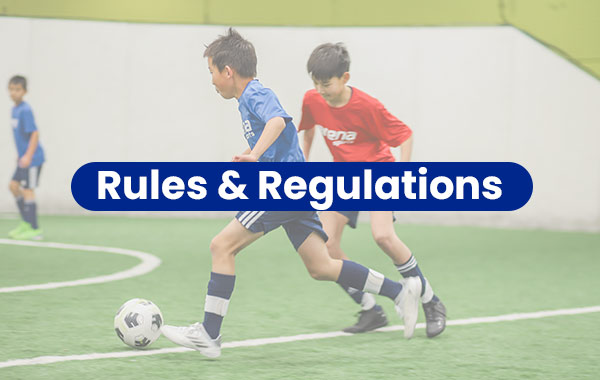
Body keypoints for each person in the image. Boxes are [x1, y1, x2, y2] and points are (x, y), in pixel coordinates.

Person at [161, 29, 423, 358]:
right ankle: (400, 292)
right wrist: (250, 154)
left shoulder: (255, 93)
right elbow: (279, 138)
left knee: (221, 246)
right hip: (296, 189)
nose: (212, 80)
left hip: (282, 190)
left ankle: (209, 334)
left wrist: (255, 155)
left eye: (212, 72)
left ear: (228, 71)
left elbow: (279, 122)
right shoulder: (247, 99)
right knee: (321, 266)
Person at [298, 43, 446, 338]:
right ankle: (371, 310)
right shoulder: (312, 100)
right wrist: (304, 160)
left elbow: (405, 136)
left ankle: (431, 301)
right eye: (315, 82)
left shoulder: (368, 107)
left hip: (379, 172)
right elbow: (308, 127)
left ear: (345, 78)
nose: (320, 89)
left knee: (383, 237)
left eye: (326, 83)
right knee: (326, 246)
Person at [7, 75, 45, 240]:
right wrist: (20, 154)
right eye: (11, 89)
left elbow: (34, 134)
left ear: (25, 91)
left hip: (33, 158)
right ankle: (25, 222)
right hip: (23, 158)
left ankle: (34, 228)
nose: (14, 93)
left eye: (17, 89)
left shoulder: (25, 110)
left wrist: (28, 156)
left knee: (28, 190)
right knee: (14, 186)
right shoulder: (14, 110)